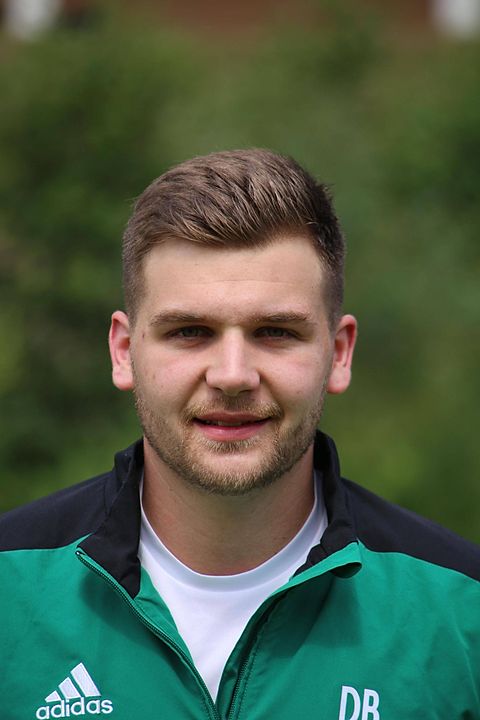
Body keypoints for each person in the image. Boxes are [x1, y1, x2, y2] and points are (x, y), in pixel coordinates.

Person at [1, 149, 479, 720]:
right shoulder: (10, 591)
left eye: (275, 331)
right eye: (190, 331)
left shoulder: (463, 612)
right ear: (124, 352)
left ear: (339, 353)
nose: (232, 375)